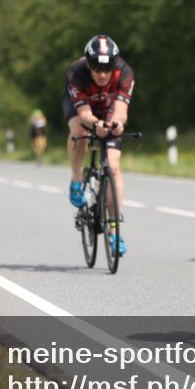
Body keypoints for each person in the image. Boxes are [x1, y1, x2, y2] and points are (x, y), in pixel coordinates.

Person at [63, 35, 134, 256]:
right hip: (83, 108)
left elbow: (121, 110)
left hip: (108, 108)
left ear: (115, 64)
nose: (102, 74)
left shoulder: (125, 73)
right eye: (96, 68)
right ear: (88, 64)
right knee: (80, 132)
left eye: (107, 68)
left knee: (113, 166)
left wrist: (117, 124)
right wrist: (96, 124)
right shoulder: (77, 73)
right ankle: (76, 179)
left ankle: (114, 231)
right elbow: (84, 114)